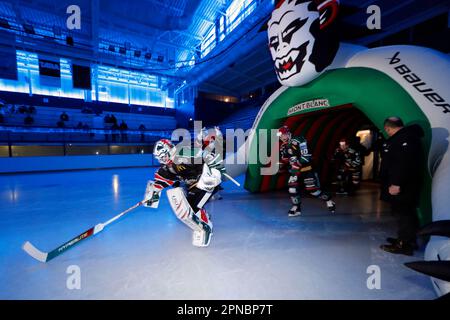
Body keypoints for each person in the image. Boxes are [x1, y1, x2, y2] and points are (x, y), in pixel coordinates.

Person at [143, 139, 224, 247]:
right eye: (160, 158)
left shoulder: (185, 152)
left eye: (163, 155)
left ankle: (206, 228)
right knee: (189, 208)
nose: (163, 159)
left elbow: (207, 155)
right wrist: (151, 196)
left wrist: (214, 170)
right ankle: (204, 218)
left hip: (206, 183)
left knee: (193, 208)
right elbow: (159, 183)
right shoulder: (168, 168)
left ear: (169, 149)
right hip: (193, 187)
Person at [379, 117, 424, 256]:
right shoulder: (407, 137)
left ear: (388, 128)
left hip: (403, 186)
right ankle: (407, 240)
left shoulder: (404, 139)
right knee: (406, 212)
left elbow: (403, 164)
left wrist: (396, 184)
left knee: (404, 213)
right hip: (406, 184)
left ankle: (404, 244)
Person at [277, 126, 335, 217]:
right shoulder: (283, 146)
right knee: (292, 189)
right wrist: (280, 165)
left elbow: (306, 156)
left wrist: (296, 164)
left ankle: (328, 199)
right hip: (295, 171)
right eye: (280, 136)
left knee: (312, 190)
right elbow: (285, 159)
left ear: (288, 133)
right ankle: (297, 208)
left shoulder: (300, 140)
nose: (282, 138)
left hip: (307, 169)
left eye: (283, 135)